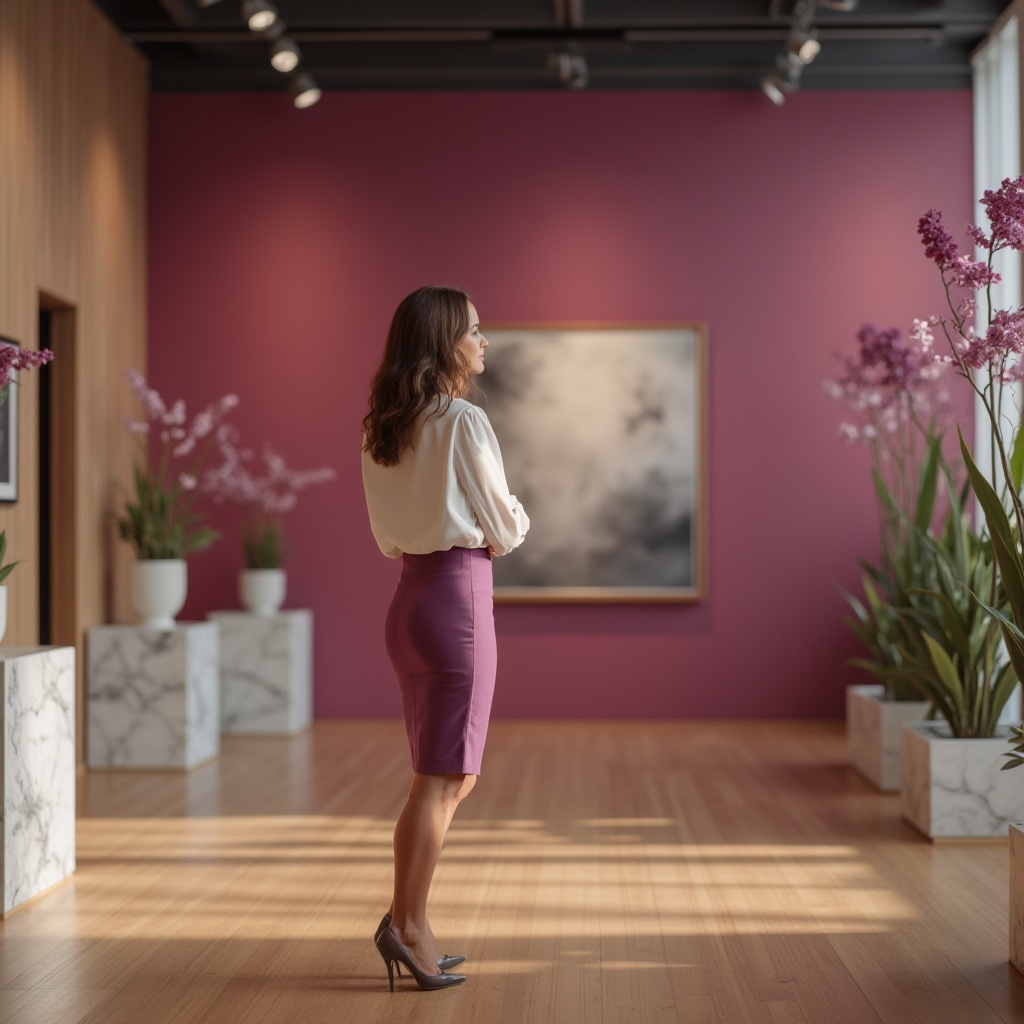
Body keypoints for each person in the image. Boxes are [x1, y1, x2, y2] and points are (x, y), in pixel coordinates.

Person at [360, 285, 530, 992]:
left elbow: (385, 535)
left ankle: (411, 924)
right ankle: (408, 927)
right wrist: (512, 521)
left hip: (410, 601)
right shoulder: (463, 421)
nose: (483, 341)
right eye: (474, 330)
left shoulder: (383, 428)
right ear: (442, 344)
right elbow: (508, 526)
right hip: (457, 601)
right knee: (444, 778)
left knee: (441, 775)